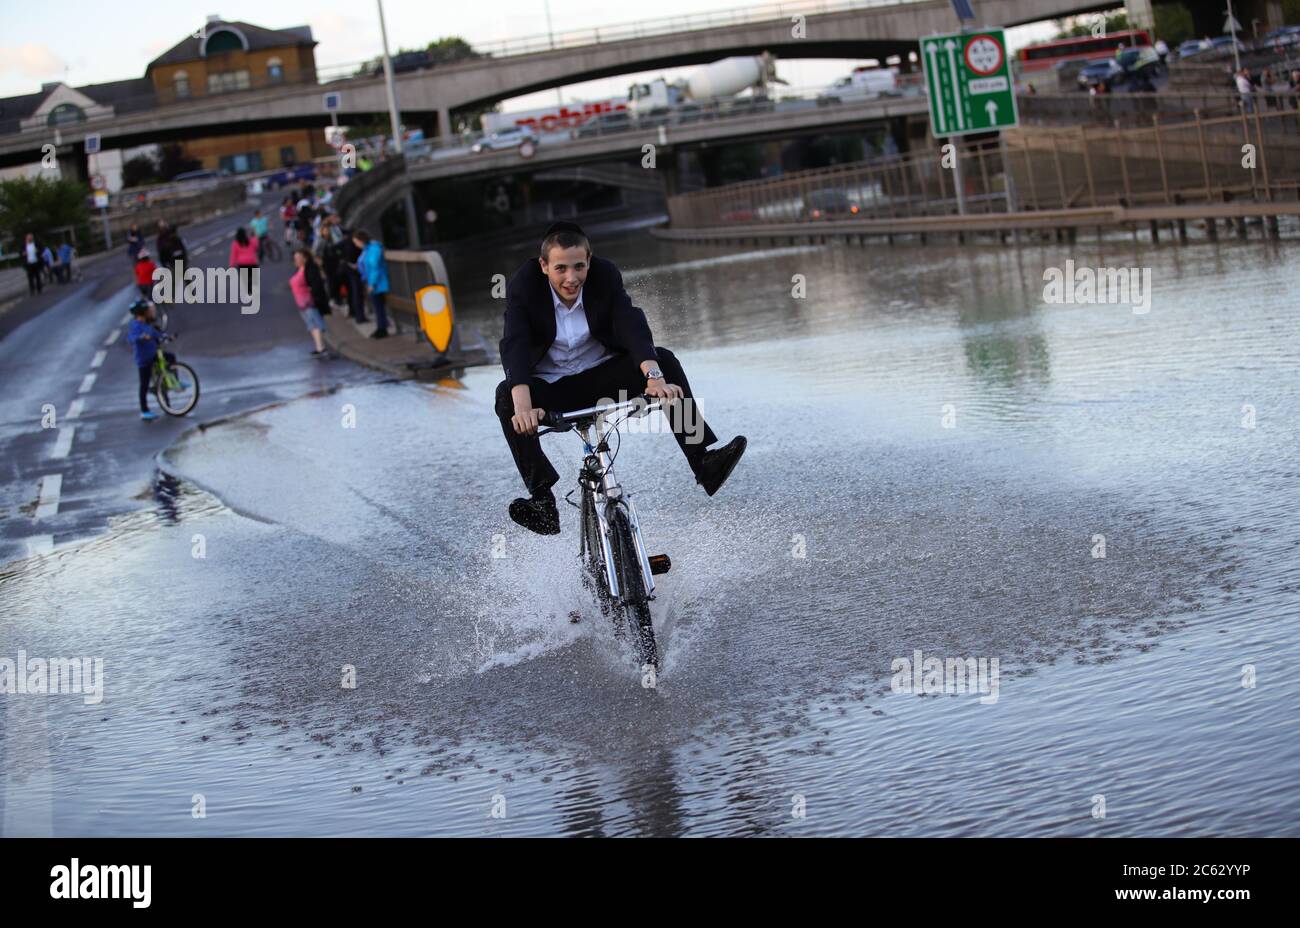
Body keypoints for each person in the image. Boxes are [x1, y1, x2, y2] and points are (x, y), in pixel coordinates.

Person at [495, 222, 747, 535]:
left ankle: (703, 461)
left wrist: (653, 378)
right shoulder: (525, 285)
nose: (571, 278)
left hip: (602, 378)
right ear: (544, 266)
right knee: (506, 394)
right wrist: (523, 406)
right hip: (551, 389)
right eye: (560, 268)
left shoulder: (605, 276)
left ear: (589, 260)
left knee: (665, 359)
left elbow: (630, 324)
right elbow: (514, 342)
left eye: (578, 267)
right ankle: (543, 501)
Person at [127, 299, 174, 421]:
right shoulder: (136, 326)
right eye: (148, 311)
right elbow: (131, 338)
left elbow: (156, 334)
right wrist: (141, 337)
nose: (151, 313)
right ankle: (144, 410)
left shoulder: (147, 325)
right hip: (144, 359)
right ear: (142, 312)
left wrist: (166, 337)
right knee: (144, 384)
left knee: (170, 358)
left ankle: (175, 381)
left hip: (153, 354)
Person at [289, 248, 328, 357]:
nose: (295, 260)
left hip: (309, 302)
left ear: (305, 258)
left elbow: (316, 285)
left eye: (298, 258)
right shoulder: (299, 269)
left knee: (316, 323)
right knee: (311, 325)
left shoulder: (310, 269)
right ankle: (319, 347)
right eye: (295, 258)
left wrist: (312, 296)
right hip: (302, 303)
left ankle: (321, 348)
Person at [353, 230, 390, 338]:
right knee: (377, 305)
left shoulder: (373, 249)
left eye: (356, 242)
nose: (356, 244)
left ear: (361, 240)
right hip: (371, 281)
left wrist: (372, 284)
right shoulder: (369, 249)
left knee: (378, 305)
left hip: (376, 282)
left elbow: (374, 267)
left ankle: (382, 328)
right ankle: (381, 326)